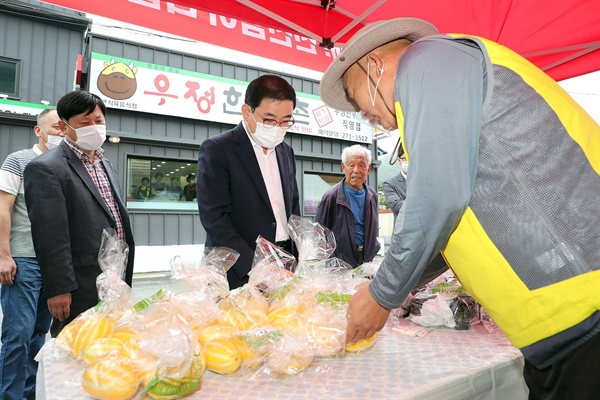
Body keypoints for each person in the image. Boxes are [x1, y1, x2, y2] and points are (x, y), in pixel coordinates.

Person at [319, 17, 599, 398]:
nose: (368, 117)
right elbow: (452, 225)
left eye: (359, 102)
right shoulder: (443, 90)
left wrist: (382, 294)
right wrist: (402, 286)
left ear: (373, 65)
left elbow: (437, 195)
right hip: (559, 327)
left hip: (585, 311)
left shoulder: (427, 58)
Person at [24, 90, 135, 337]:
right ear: (64, 127)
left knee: (112, 346)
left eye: (98, 121)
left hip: (115, 280)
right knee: (77, 350)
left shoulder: (106, 163)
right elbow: (49, 235)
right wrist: (58, 289)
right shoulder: (46, 168)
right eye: (85, 123)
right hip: (79, 284)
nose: (94, 128)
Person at [197, 74, 300, 289]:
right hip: (238, 268)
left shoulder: (286, 151)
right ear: (247, 112)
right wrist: (257, 266)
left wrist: (299, 253)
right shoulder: (218, 149)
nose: (277, 128)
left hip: (284, 262)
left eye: (285, 121)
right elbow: (215, 219)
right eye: (269, 120)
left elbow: (292, 207)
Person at [0, 108, 62, 400]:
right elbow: (3, 208)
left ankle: (28, 391)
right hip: (23, 259)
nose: (61, 132)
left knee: (39, 333)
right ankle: (8, 395)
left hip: (52, 263)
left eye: (64, 127)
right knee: (17, 336)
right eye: (55, 126)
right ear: (39, 130)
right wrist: (3, 255)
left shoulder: (65, 164)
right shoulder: (19, 160)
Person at [314, 144, 380, 267]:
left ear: (368, 169)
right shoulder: (331, 196)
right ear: (343, 167)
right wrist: (330, 261)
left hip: (366, 260)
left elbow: (373, 228)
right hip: (340, 262)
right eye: (351, 165)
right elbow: (318, 233)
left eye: (361, 165)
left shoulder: (372, 196)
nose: (356, 170)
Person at [382, 141, 408, 228]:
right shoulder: (390, 183)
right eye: (405, 159)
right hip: (403, 234)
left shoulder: (425, 181)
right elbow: (397, 205)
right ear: (399, 161)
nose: (409, 162)